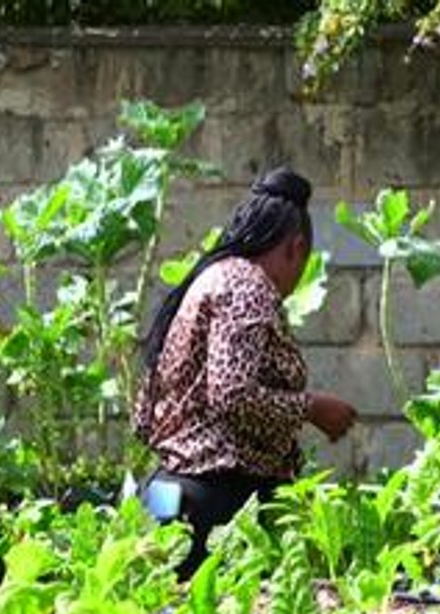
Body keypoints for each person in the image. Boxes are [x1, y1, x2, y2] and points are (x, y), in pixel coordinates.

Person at [133, 167, 357, 578]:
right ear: (296, 249)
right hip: (218, 504)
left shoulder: (211, 278)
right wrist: (312, 408)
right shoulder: (247, 286)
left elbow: (146, 413)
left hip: (171, 491)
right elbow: (231, 394)